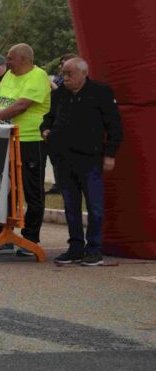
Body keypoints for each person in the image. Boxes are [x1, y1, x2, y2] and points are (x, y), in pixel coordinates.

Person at [41, 57, 122, 266]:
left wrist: (110, 154)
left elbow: (114, 126)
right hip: (63, 158)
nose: (65, 77)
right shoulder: (58, 94)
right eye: (63, 73)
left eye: (70, 74)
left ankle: (94, 248)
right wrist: (46, 131)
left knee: (94, 206)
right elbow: (48, 118)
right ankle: (75, 247)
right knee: (71, 205)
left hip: (90, 158)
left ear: (84, 73)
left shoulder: (100, 93)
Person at [0, 43, 51, 255]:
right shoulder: (8, 76)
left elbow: (20, 105)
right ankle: (5, 233)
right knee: (4, 189)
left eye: (10, 58)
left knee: (32, 189)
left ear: (24, 59)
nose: (6, 62)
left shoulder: (38, 76)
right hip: (5, 138)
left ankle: (30, 237)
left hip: (30, 139)